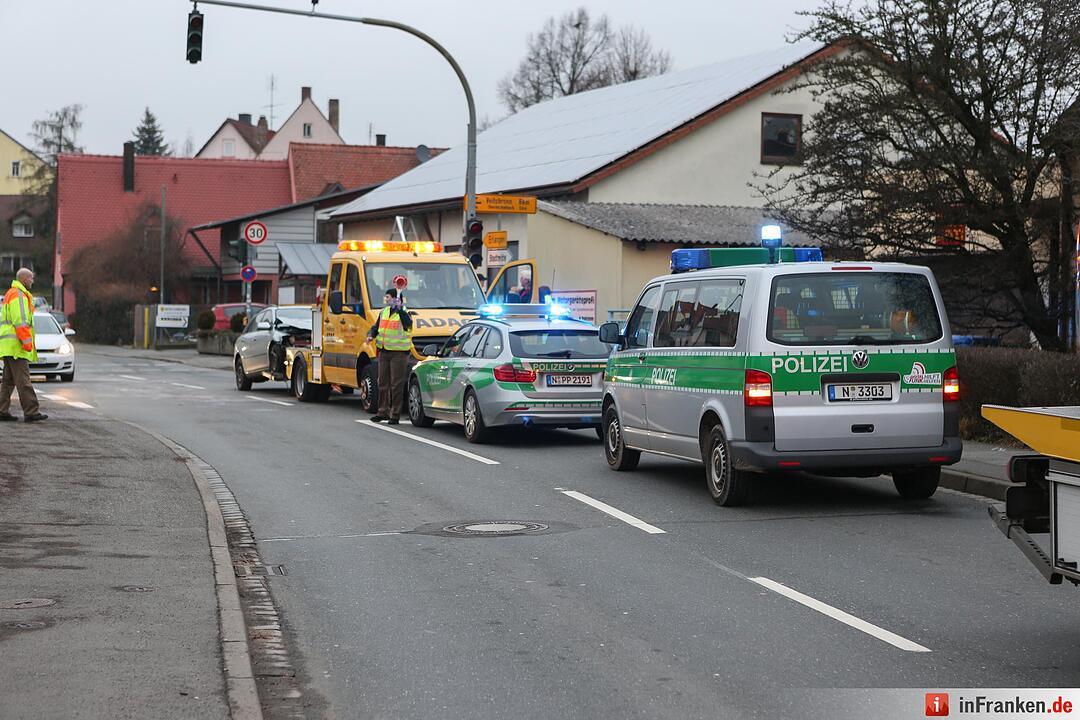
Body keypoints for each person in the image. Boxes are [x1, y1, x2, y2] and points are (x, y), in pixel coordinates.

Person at [0, 268, 47, 422]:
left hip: (8, 345)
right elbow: (20, 321)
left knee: (7, 381)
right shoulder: (19, 295)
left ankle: (2, 410)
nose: (32, 281)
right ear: (24, 279)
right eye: (31, 278)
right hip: (16, 346)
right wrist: (27, 343)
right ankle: (31, 411)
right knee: (23, 380)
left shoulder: (11, 293)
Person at [367, 288, 413, 424]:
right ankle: (382, 412)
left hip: (399, 353)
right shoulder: (384, 312)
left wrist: (399, 309)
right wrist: (371, 335)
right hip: (384, 351)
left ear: (396, 299)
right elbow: (376, 327)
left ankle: (395, 414)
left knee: (396, 385)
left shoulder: (405, 312)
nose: (386, 299)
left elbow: (408, 325)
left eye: (388, 297)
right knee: (382, 383)